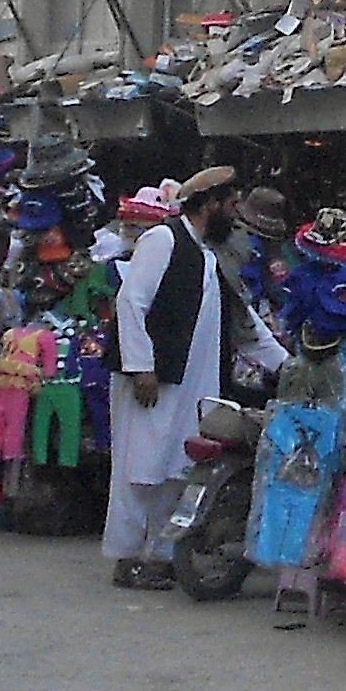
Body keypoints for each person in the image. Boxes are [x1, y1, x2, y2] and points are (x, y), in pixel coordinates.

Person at [108, 168, 245, 589]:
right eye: (231, 204)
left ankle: (160, 556)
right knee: (139, 468)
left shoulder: (206, 255)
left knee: (174, 470)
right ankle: (127, 556)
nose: (236, 214)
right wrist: (142, 366)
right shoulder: (162, 240)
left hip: (192, 385)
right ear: (210, 204)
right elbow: (131, 301)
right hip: (152, 381)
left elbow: (244, 321)